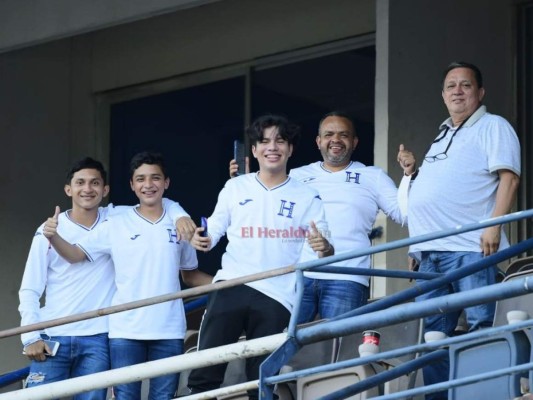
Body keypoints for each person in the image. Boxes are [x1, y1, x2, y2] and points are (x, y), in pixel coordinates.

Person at [19, 157, 194, 399]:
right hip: (54, 335)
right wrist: (30, 336)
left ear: (106, 189)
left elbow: (157, 201)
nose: (88, 189)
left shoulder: (118, 218)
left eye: (95, 183)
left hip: (99, 337)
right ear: (68, 189)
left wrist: (179, 215)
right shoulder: (48, 230)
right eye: (80, 183)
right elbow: (30, 288)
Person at [397, 61, 521, 400]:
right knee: (434, 335)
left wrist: (494, 225)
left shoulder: (492, 125)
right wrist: (414, 248)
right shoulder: (442, 135)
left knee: (481, 325)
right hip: (430, 254)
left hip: (471, 247)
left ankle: (484, 394)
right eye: (451, 85)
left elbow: (509, 178)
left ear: (479, 93)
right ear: (442, 94)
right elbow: (433, 195)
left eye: (465, 85)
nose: (457, 91)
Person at [188, 114, 332, 399]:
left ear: (290, 149)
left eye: (280, 140)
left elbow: (324, 245)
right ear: (253, 150)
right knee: (205, 372)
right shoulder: (235, 187)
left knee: (263, 379)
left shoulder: (308, 195)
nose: (272, 147)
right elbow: (213, 229)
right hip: (230, 285)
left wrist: (323, 246)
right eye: (264, 141)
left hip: (278, 295)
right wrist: (200, 237)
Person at [230, 111, 404, 323]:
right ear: (318, 141)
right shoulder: (296, 176)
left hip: (346, 276)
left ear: (354, 142)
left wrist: (409, 176)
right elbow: (264, 211)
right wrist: (248, 181)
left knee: (339, 349)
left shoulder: (373, 176)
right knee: (285, 346)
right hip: (299, 275)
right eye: (329, 134)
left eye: (343, 135)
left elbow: (403, 213)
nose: (336, 140)